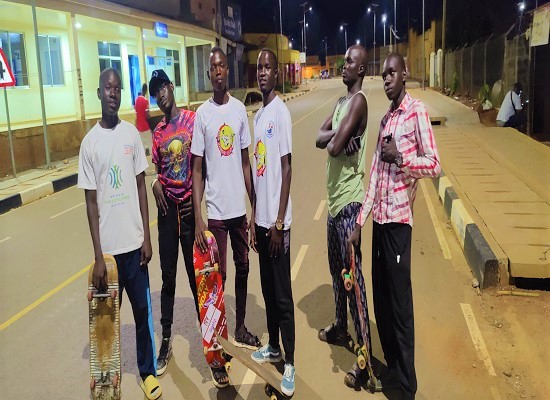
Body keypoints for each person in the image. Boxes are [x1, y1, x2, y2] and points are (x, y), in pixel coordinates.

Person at [349, 53, 441, 399]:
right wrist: (360, 222)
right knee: (382, 302)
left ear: (404, 74)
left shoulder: (416, 112)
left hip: (400, 224)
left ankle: (407, 385)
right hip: (379, 226)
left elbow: (434, 165)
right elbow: (373, 177)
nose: (386, 78)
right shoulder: (386, 120)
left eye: (392, 73)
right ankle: (390, 368)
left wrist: (402, 159)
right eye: (383, 73)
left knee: (401, 308)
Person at [78, 68, 161, 400]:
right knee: (106, 322)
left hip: (134, 246)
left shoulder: (130, 135)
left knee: (142, 313)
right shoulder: (89, 144)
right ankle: (108, 382)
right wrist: (98, 257)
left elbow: (142, 187)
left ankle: (147, 373)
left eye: (117, 88)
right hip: (109, 258)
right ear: (99, 93)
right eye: (107, 88)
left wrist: (147, 236)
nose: (113, 93)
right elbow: (90, 202)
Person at [190, 47, 261, 385]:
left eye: (222, 65)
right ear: (209, 75)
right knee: (217, 281)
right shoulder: (202, 115)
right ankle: (218, 345)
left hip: (238, 212)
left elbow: (246, 162)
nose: (218, 71)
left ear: (227, 72)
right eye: (213, 67)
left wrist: (254, 203)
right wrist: (199, 217)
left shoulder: (238, 112)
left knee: (244, 268)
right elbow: (197, 168)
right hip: (216, 213)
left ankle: (242, 326)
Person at [315, 44, 372, 388]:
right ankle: (339, 328)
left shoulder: (359, 102)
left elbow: (333, 147)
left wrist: (337, 140)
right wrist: (339, 136)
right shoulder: (339, 104)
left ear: (362, 69)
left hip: (350, 204)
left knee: (355, 283)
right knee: (337, 275)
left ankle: (365, 358)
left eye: (350, 61)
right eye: (344, 59)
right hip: (334, 204)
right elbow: (318, 138)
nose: (344, 64)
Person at [249, 48, 296, 397]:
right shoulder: (258, 115)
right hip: (262, 222)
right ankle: (274, 347)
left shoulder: (279, 112)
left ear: (276, 74)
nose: (263, 72)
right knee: (267, 289)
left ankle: (290, 363)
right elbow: (258, 172)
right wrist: (255, 219)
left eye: (268, 67)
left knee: (282, 295)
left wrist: (279, 221)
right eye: (259, 67)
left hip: (278, 224)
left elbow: (287, 167)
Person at [147, 69, 199, 377]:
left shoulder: (193, 121)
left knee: (197, 278)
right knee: (168, 278)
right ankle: (166, 339)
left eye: (162, 87)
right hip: (167, 214)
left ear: (171, 87)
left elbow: (202, 163)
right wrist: (155, 185)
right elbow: (156, 172)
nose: (160, 94)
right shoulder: (158, 132)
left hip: (190, 213)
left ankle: (209, 336)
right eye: (155, 92)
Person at [135, 83, 152, 155]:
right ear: (146, 90)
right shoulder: (145, 101)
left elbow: (136, 114)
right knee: (150, 143)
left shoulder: (137, 100)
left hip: (139, 127)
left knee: (142, 145)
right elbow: (147, 116)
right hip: (145, 126)